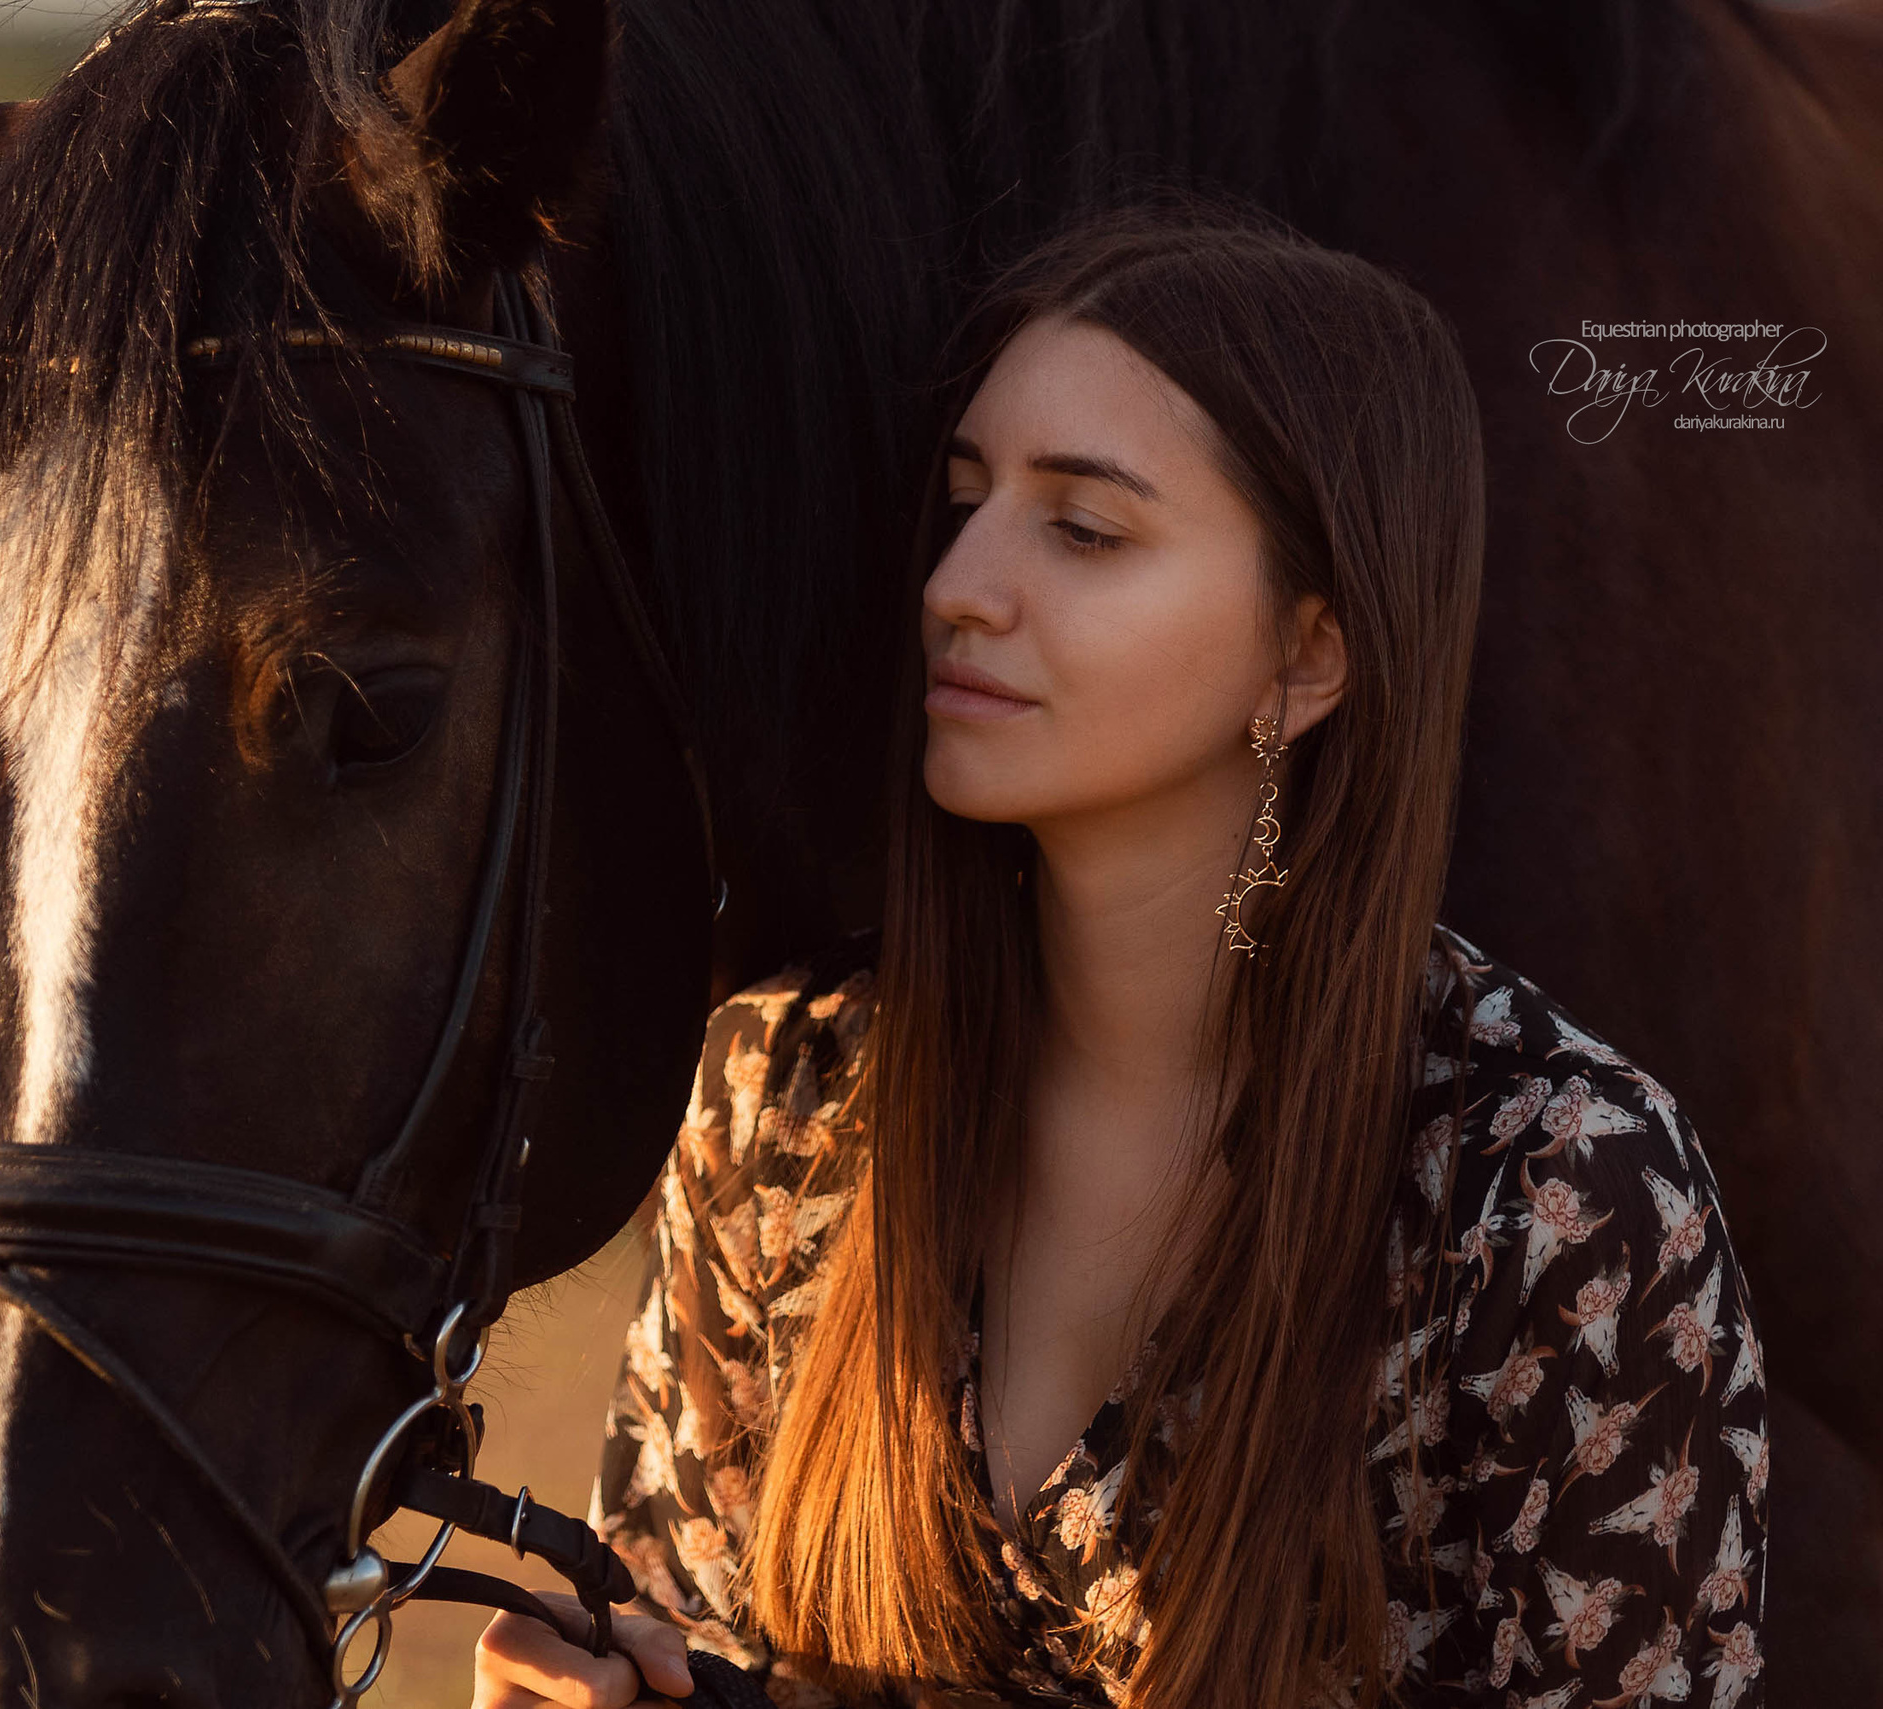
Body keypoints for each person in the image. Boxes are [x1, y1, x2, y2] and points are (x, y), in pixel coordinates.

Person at [470, 200, 1769, 1709]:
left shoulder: (1559, 1210)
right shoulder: (788, 1097)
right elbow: (687, 1635)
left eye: (1083, 529)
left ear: (1309, 655)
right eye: (963, 502)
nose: (961, 585)